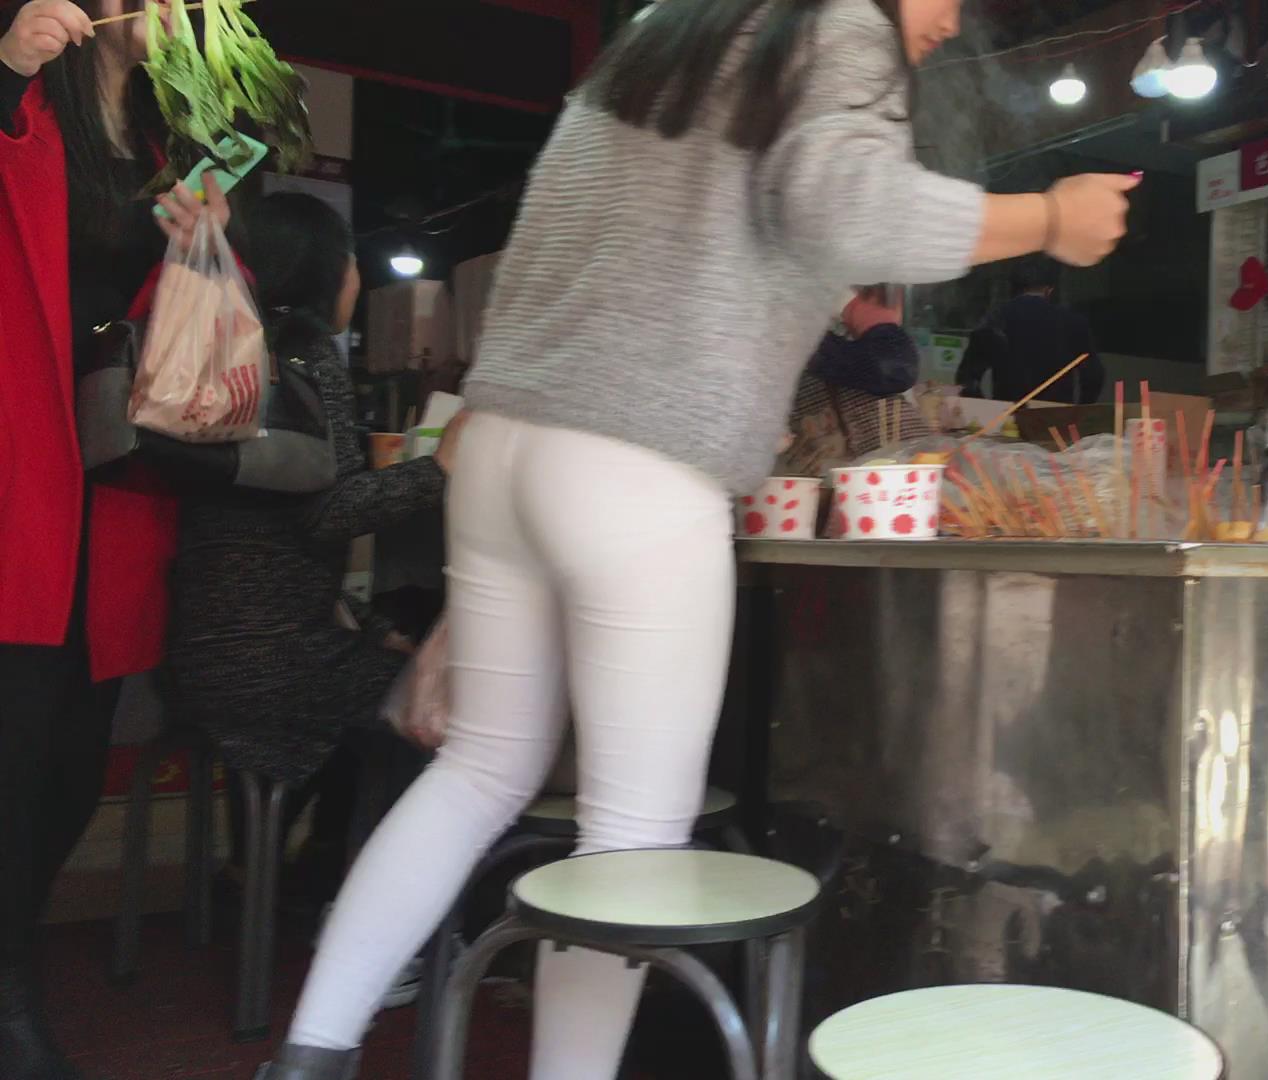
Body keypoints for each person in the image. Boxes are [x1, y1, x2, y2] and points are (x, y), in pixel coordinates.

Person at [254, 0, 1136, 1075]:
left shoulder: (671, 30)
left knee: (480, 770)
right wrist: (1047, 217)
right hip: (634, 465)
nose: (952, 19)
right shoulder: (836, 22)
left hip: (504, 451)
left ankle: (308, 1056)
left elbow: (586, 237)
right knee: (631, 832)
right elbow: (846, 205)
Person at [0, 3, 232, 1076]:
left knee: (75, 763)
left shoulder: (160, 137)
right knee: (16, 753)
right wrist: (7, 67)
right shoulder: (25, 92)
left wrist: (200, 242)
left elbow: (177, 308)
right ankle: (12, 999)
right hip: (18, 460)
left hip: (110, 478)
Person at [162, 193, 454, 980]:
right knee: (425, 714)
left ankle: (283, 878)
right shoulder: (306, 351)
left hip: (196, 659)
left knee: (377, 674)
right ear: (329, 271)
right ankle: (375, 929)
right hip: (277, 665)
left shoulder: (231, 353)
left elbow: (268, 541)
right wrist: (443, 467)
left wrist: (367, 628)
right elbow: (330, 512)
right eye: (352, 261)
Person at [784, 286, 933, 474]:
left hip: (898, 472)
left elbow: (893, 370)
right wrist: (855, 308)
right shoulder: (791, 325)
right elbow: (892, 368)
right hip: (843, 477)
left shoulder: (848, 344)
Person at [956, 255, 1106, 404]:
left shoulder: (995, 319)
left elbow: (967, 379)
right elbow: (1093, 376)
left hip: (1009, 413)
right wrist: (1081, 407)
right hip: (1056, 413)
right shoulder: (1073, 322)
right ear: (1049, 290)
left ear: (1013, 288)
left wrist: (986, 409)